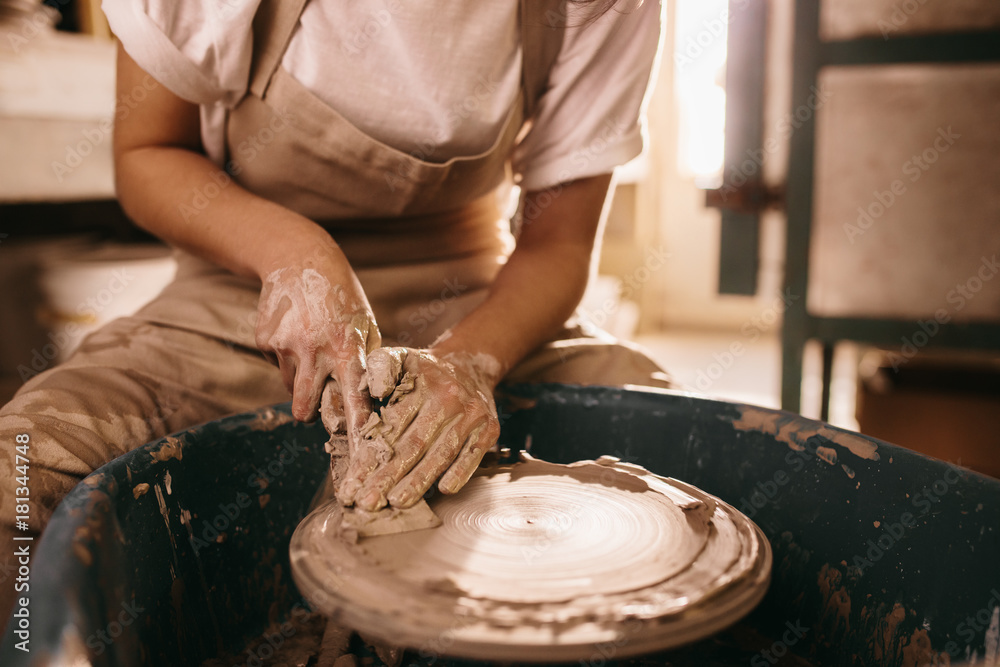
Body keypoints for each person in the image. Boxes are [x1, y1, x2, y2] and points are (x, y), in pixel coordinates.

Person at [1, 0, 669, 624]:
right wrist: (292, 251)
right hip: (238, 289)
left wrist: (470, 361)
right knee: (20, 469)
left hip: (474, 298)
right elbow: (146, 155)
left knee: (671, 475)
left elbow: (559, 244)